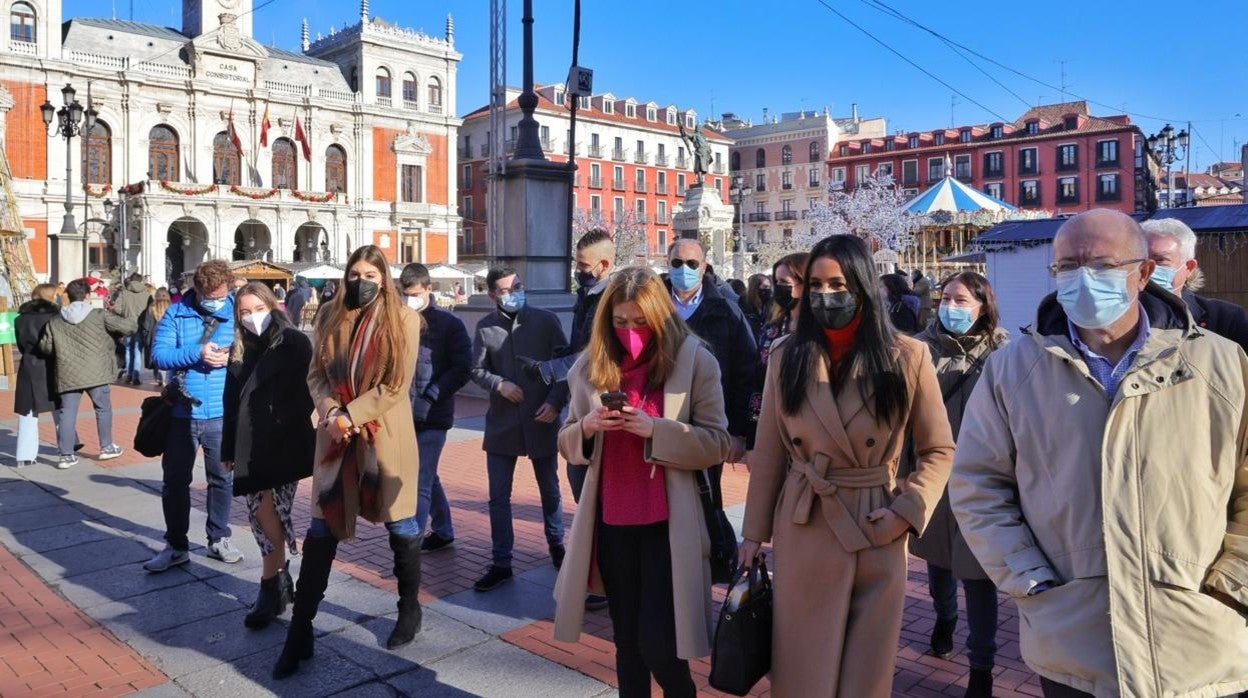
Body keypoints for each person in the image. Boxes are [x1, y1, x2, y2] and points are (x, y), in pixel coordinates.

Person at [949, 209, 1248, 697]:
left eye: (1102, 264)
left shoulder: (1220, 362)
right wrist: (1031, 580)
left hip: (1200, 644)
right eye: (1067, 266)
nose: (1083, 278)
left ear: (1144, 272)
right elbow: (978, 486)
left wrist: (1233, 582)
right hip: (1075, 646)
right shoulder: (1012, 370)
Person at [739, 234, 955, 697]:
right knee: (801, 669)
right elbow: (772, 450)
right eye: (814, 285)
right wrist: (753, 534)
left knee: (865, 674)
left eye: (836, 283)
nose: (823, 295)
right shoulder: (786, 356)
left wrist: (906, 512)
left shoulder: (909, 356)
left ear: (860, 285)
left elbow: (939, 449)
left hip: (875, 524)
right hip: (805, 523)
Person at [553, 266, 731, 698]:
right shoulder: (589, 366)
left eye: (640, 322)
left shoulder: (694, 359)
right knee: (627, 642)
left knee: (660, 645)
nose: (630, 331)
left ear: (659, 316)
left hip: (667, 523)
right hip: (611, 522)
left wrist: (656, 430)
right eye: (619, 322)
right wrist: (590, 427)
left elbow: (718, 442)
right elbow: (566, 440)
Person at [273, 245, 424, 680]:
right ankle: (300, 631)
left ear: (385, 278)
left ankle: (408, 607)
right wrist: (330, 411)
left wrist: (350, 415)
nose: (362, 281)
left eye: (371, 274)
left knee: (401, 526)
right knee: (322, 529)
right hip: (336, 440)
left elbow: (396, 385)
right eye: (355, 273)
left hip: (384, 437)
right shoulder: (329, 317)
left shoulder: (405, 321)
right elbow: (315, 373)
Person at [901, 271, 1007, 698]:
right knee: (939, 563)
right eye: (946, 298)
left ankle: (981, 666)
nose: (952, 307)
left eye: (962, 300)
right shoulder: (917, 349)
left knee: (979, 575)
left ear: (983, 305)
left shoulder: (1003, 353)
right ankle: (945, 618)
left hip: (985, 479)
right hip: (933, 475)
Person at [221, 283, 314, 630]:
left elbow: (309, 392)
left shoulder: (294, 342)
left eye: (256, 309)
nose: (251, 317)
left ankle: (269, 584)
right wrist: (228, 447)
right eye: (243, 312)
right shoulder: (240, 348)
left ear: (272, 306)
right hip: (249, 445)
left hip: (283, 442)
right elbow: (230, 401)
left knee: (268, 509)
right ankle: (278, 579)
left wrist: (279, 416)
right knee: (259, 513)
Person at [470, 267, 569, 592]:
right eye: (504, 289)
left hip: (541, 419)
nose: (512, 292)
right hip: (502, 423)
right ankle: (501, 562)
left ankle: (557, 546)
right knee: (498, 496)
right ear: (492, 296)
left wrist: (555, 403)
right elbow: (476, 369)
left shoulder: (546, 321)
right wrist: (499, 384)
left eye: (517, 286)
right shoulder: (485, 328)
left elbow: (566, 367)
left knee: (550, 490)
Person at [145, 260, 242, 572]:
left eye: (221, 294)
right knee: (175, 482)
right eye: (208, 295)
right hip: (182, 414)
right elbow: (158, 355)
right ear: (197, 290)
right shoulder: (176, 312)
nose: (214, 300)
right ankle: (176, 545)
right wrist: (197, 353)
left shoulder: (238, 311)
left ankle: (218, 538)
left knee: (221, 479)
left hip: (222, 412)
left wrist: (231, 359)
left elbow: (255, 352)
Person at [665, 239, 757, 488]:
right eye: (677, 262)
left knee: (706, 502)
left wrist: (738, 431)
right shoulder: (650, 305)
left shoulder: (727, 312)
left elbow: (745, 374)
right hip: (660, 421)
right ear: (668, 263)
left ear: (704, 267)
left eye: (692, 263)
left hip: (709, 425)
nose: (684, 269)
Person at [399, 263, 472, 552]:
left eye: (415, 294)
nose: (409, 300)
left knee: (419, 482)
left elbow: (463, 367)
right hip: (404, 415)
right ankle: (443, 529)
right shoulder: (399, 321)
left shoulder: (450, 325)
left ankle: (410, 546)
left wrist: (433, 394)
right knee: (428, 475)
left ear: (429, 289)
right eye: (404, 294)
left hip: (434, 414)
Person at [38, 278, 137, 469]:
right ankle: (107, 447)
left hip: (68, 371)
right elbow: (130, 327)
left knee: (67, 413)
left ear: (67, 295)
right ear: (87, 296)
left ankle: (65, 455)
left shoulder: (56, 320)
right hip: (97, 370)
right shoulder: (99, 315)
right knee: (103, 409)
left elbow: (46, 347)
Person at [1142, 217, 1248, 352]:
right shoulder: (1116, 318)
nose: (1147, 268)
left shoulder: (1226, 318)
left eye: (1160, 260)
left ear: (1189, 267)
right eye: (1141, 259)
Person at [748, 252, 808, 427]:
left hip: (806, 424)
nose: (779, 289)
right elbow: (759, 378)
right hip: (771, 419)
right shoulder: (772, 328)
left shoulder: (821, 328)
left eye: (785, 283)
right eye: (777, 282)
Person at [14, 284, 61, 467]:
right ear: (50, 296)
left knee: (27, 411)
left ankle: (24, 455)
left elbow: (20, 345)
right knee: (60, 408)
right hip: (51, 366)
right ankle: (67, 446)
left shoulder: (20, 319)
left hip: (28, 366)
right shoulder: (55, 317)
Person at [114, 273, 153, 385]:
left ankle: (128, 375)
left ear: (131, 280)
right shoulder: (147, 294)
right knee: (137, 350)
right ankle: (136, 375)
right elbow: (151, 311)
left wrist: (125, 314)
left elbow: (116, 308)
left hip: (127, 324)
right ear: (141, 281)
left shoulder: (124, 293)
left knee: (127, 350)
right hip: (141, 326)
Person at [140, 288, 172, 387]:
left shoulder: (152, 306)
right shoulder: (171, 306)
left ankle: (158, 377)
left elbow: (146, 324)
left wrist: (145, 336)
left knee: (155, 356)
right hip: (168, 333)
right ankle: (166, 375)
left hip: (154, 334)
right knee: (167, 355)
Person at [739, 273, 772, 342]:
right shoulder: (744, 301)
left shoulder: (770, 302)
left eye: (769, 287)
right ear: (755, 288)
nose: (768, 290)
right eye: (765, 287)